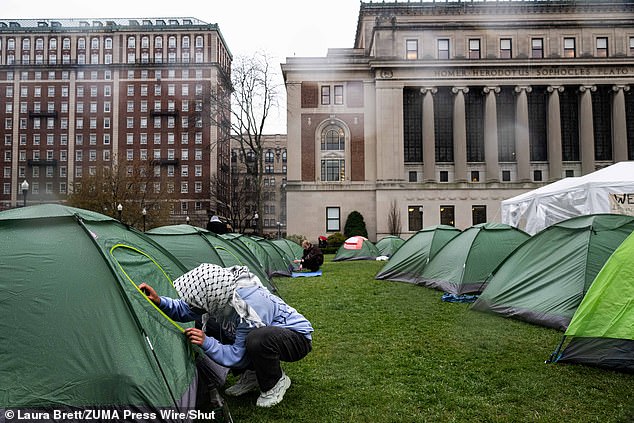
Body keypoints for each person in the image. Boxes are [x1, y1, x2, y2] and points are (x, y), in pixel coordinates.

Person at [139, 264, 313, 408]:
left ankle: (275, 382)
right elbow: (189, 309)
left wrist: (207, 343)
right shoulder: (221, 291)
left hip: (296, 339)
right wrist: (160, 301)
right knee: (214, 325)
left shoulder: (250, 305)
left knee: (257, 339)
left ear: (213, 297)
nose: (195, 303)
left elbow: (240, 356)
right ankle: (253, 375)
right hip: (268, 335)